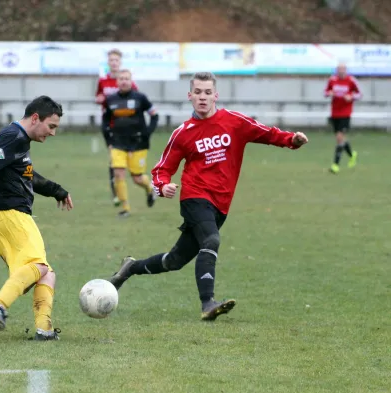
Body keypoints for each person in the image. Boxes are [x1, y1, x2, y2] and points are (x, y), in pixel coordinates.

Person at [109, 72, 309, 321]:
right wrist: (162, 186)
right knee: (211, 240)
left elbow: (266, 133)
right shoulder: (183, 133)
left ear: (216, 95)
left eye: (207, 92)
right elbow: (162, 169)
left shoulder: (234, 121)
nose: (202, 97)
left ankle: (130, 268)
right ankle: (208, 304)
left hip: (221, 204)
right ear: (189, 96)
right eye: (198, 92)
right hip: (194, 197)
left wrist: (292, 140)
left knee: (175, 260)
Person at [0, 96, 73, 341]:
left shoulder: (19, 141)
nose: (53, 133)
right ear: (35, 118)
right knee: (38, 266)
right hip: (8, 214)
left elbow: (26, 174)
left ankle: (44, 329)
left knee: (45, 273)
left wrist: (56, 190)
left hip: (0, 217)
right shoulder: (13, 136)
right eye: (51, 126)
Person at [102, 69, 158, 217]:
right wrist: (108, 140)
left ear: (131, 81)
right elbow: (105, 120)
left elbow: (154, 115)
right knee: (118, 174)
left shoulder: (140, 98)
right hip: (118, 143)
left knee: (137, 178)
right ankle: (125, 208)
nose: (124, 81)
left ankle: (149, 189)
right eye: (121, 78)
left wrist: (148, 132)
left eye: (127, 78)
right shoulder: (110, 100)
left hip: (138, 143)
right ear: (117, 81)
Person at [95, 49, 137, 207]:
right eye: (111, 60)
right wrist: (100, 99)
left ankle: (127, 187)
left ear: (120, 62)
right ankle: (117, 194)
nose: (113, 63)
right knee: (114, 159)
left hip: (126, 126)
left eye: (116, 60)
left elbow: (136, 100)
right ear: (108, 63)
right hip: (109, 126)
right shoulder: (103, 81)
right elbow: (98, 97)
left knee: (127, 162)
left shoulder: (127, 81)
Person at [324, 63, 360, 174]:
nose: (341, 71)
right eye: (339, 69)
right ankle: (352, 154)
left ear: (346, 70)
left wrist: (351, 97)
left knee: (339, 138)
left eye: (343, 69)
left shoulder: (351, 81)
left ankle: (335, 165)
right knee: (340, 139)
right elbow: (325, 92)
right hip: (335, 113)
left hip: (345, 113)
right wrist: (329, 93)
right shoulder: (332, 80)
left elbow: (359, 94)